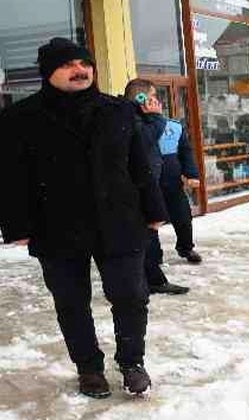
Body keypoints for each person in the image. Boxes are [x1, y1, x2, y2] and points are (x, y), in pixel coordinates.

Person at [0, 38, 167, 398]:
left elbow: (140, 166)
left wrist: (154, 210)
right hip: (56, 226)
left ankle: (131, 361)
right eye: (69, 65)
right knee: (71, 303)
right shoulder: (20, 117)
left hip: (120, 221)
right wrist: (16, 224)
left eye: (84, 63)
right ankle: (89, 368)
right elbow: (11, 176)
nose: (80, 70)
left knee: (131, 296)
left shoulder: (119, 110)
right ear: (48, 73)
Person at [124, 79, 193, 295]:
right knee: (145, 235)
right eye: (152, 96)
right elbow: (144, 140)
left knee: (149, 234)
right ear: (141, 98)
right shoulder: (131, 118)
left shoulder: (136, 117)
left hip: (146, 184)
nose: (156, 101)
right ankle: (148, 281)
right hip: (135, 188)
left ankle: (152, 278)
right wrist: (154, 116)